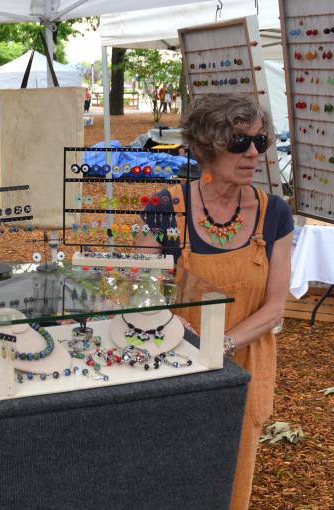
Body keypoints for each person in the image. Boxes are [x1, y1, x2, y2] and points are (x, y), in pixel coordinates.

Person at [138, 94, 293, 510]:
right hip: (173, 364)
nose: (252, 154)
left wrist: (219, 345)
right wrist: (183, 336)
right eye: (239, 142)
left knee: (232, 474)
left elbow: (275, 308)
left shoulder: (275, 214)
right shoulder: (165, 208)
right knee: (169, 475)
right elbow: (141, 291)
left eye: (259, 142)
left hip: (243, 367)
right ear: (208, 145)